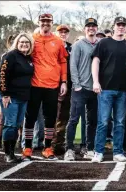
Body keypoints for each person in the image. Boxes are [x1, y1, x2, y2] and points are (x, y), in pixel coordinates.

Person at [22, 13, 68, 161]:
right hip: (34, 85)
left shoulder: (58, 41)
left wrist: (64, 82)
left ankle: (47, 148)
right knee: (30, 117)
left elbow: (63, 62)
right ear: (39, 22)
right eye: (43, 21)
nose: (45, 24)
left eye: (48, 21)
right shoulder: (32, 39)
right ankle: (27, 148)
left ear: (52, 23)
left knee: (50, 118)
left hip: (53, 85)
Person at [91, 16, 126, 163]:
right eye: (118, 25)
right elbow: (96, 61)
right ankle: (98, 152)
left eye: (123, 25)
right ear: (114, 26)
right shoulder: (103, 42)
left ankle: (118, 152)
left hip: (123, 90)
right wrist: (95, 81)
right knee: (103, 121)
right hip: (105, 89)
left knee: (120, 122)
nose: (121, 27)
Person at [64, 18, 99, 161]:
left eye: (93, 26)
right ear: (85, 29)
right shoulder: (78, 44)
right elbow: (73, 66)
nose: (91, 28)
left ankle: (89, 149)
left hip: (95, 89)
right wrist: (76, 84)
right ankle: (69, 149)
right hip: (80, 89)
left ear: (97, 28)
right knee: (74, 120)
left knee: (92, 121)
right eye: (88, 26)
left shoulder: (100, 44)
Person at [0, 32, 34, 162]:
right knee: (10, 125)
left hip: (24, 97)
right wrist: (5, 94)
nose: (24, 44)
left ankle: (12, 152)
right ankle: (8, 154)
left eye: (26, 42)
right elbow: (2, 75)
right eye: (21, 42)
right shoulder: (10, 56)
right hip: (11, 97)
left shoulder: (28, 58)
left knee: (17, 124)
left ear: (30, 45)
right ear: (17, 43)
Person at [51, 24, 73, 155]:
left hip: (69, 86)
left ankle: (59, 144)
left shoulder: (72, 48)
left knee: (64, 117)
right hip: (53, 85)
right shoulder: (52, 46)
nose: (63, 34)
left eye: (65, 32)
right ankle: (51, 144)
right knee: (53, 116)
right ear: (56, 33)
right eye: (60, 32)